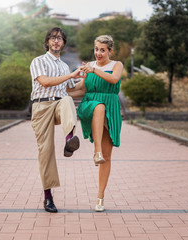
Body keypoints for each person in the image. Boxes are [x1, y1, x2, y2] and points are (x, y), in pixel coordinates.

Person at [30, 27, 83, 213]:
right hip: (41, 107)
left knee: (67, 100)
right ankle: (48, 197)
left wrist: (89, 76)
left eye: (59, 38)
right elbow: (45, 82)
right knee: (46, 152)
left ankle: (69, 140)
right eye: (52, 38)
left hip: (59, 104)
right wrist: (71, 75)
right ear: (47, 42)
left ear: (63, 44)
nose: (56, 41)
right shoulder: (38, 61)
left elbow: (72, 90)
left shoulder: (64, 66)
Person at [67, 35, 123, 212]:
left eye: (102, 50)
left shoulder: (117, 65)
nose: (98, 53)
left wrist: (93, 69)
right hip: (90, 105)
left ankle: (100, 198)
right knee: (99, 107)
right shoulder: (89, 67)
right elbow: (81, 89)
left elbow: (114, 80)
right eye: (96, 49)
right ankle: (96, 151)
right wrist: (64, 89)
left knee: (107, 157)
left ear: (110, 51)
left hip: (111, 109)